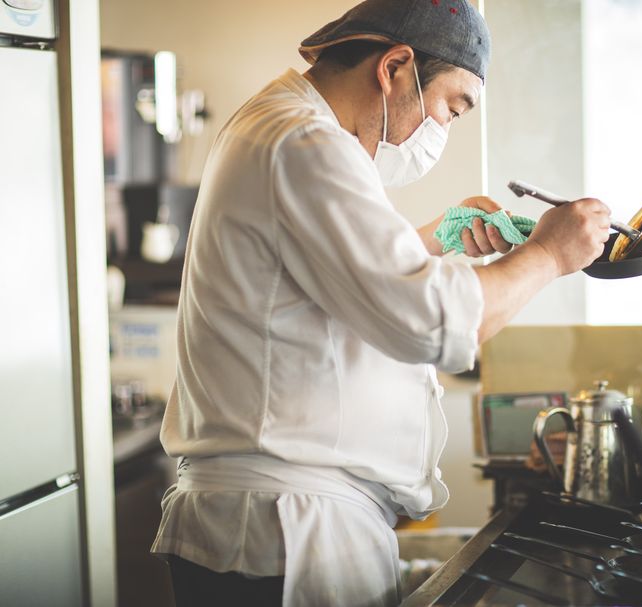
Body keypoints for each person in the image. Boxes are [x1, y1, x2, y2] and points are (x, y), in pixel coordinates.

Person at [151, 1, 612, 605]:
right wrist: (551, 255)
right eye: (450, 107)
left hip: (281, 525)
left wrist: (436, 236)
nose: (443, 128)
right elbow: (429, 322)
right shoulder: (304, 139)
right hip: (281, 534)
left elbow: (326, 286)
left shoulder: (283, 126)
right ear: (395, 66)